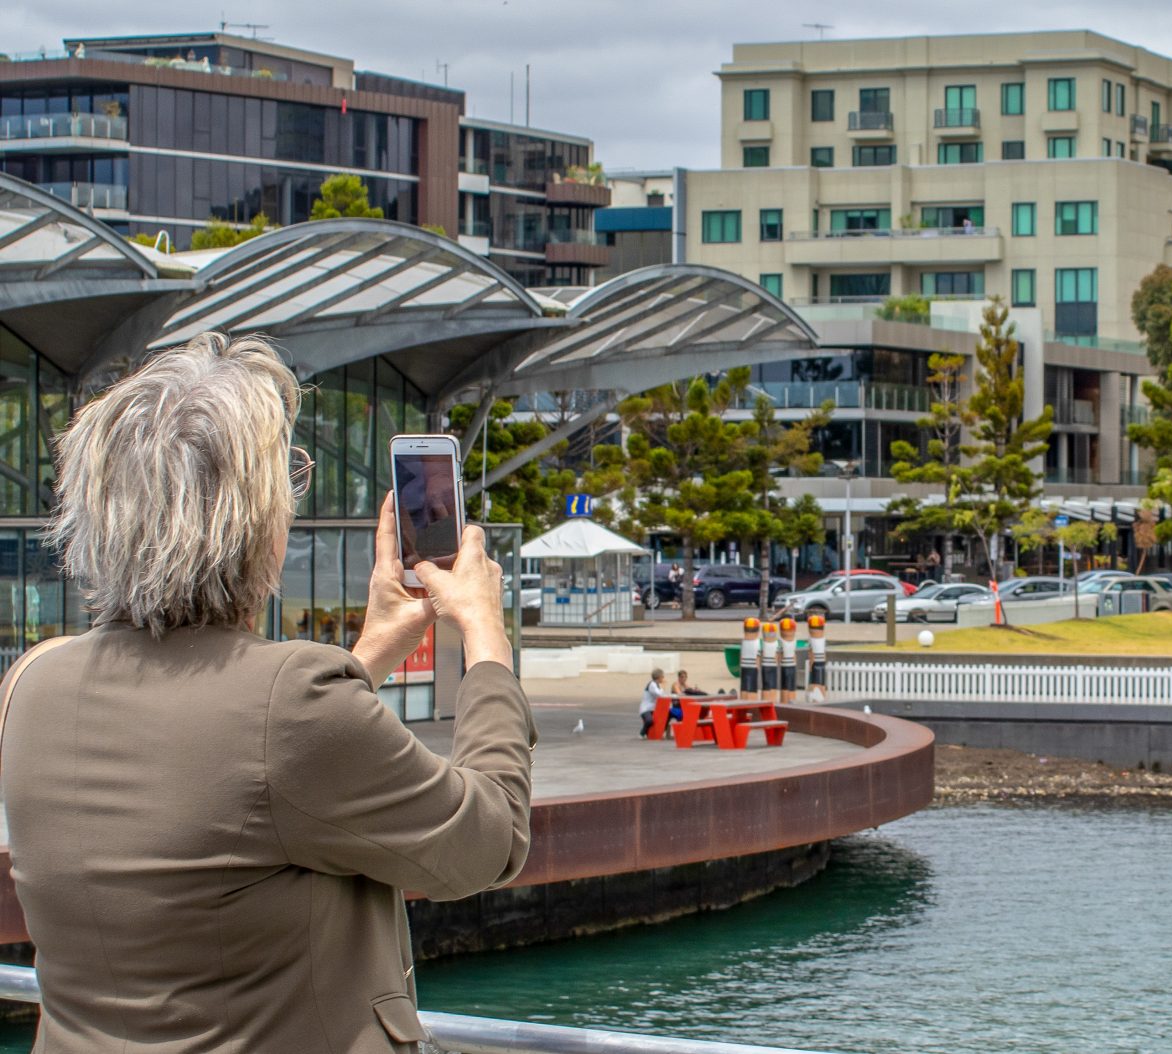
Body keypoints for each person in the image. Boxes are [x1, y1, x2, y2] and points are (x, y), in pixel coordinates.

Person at [0, 333, 536, 1053]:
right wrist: (486, 640)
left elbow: (232, 769)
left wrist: (371, 650)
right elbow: (488, 841)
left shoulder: (33, 684)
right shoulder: (292, 705)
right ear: (255, 523)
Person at [639, 667, 680, 736]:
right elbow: (660, 695)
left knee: (668, 714)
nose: (663, 678)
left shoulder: (657, 685)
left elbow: (664, 695)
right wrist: (663, 686)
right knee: (649, 721)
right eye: (662, 676)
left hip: (654, 708)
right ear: (658, 677)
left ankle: (661, 731)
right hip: (646, 709)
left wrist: (674, 696)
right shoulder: (652, 685)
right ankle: (643, 733)